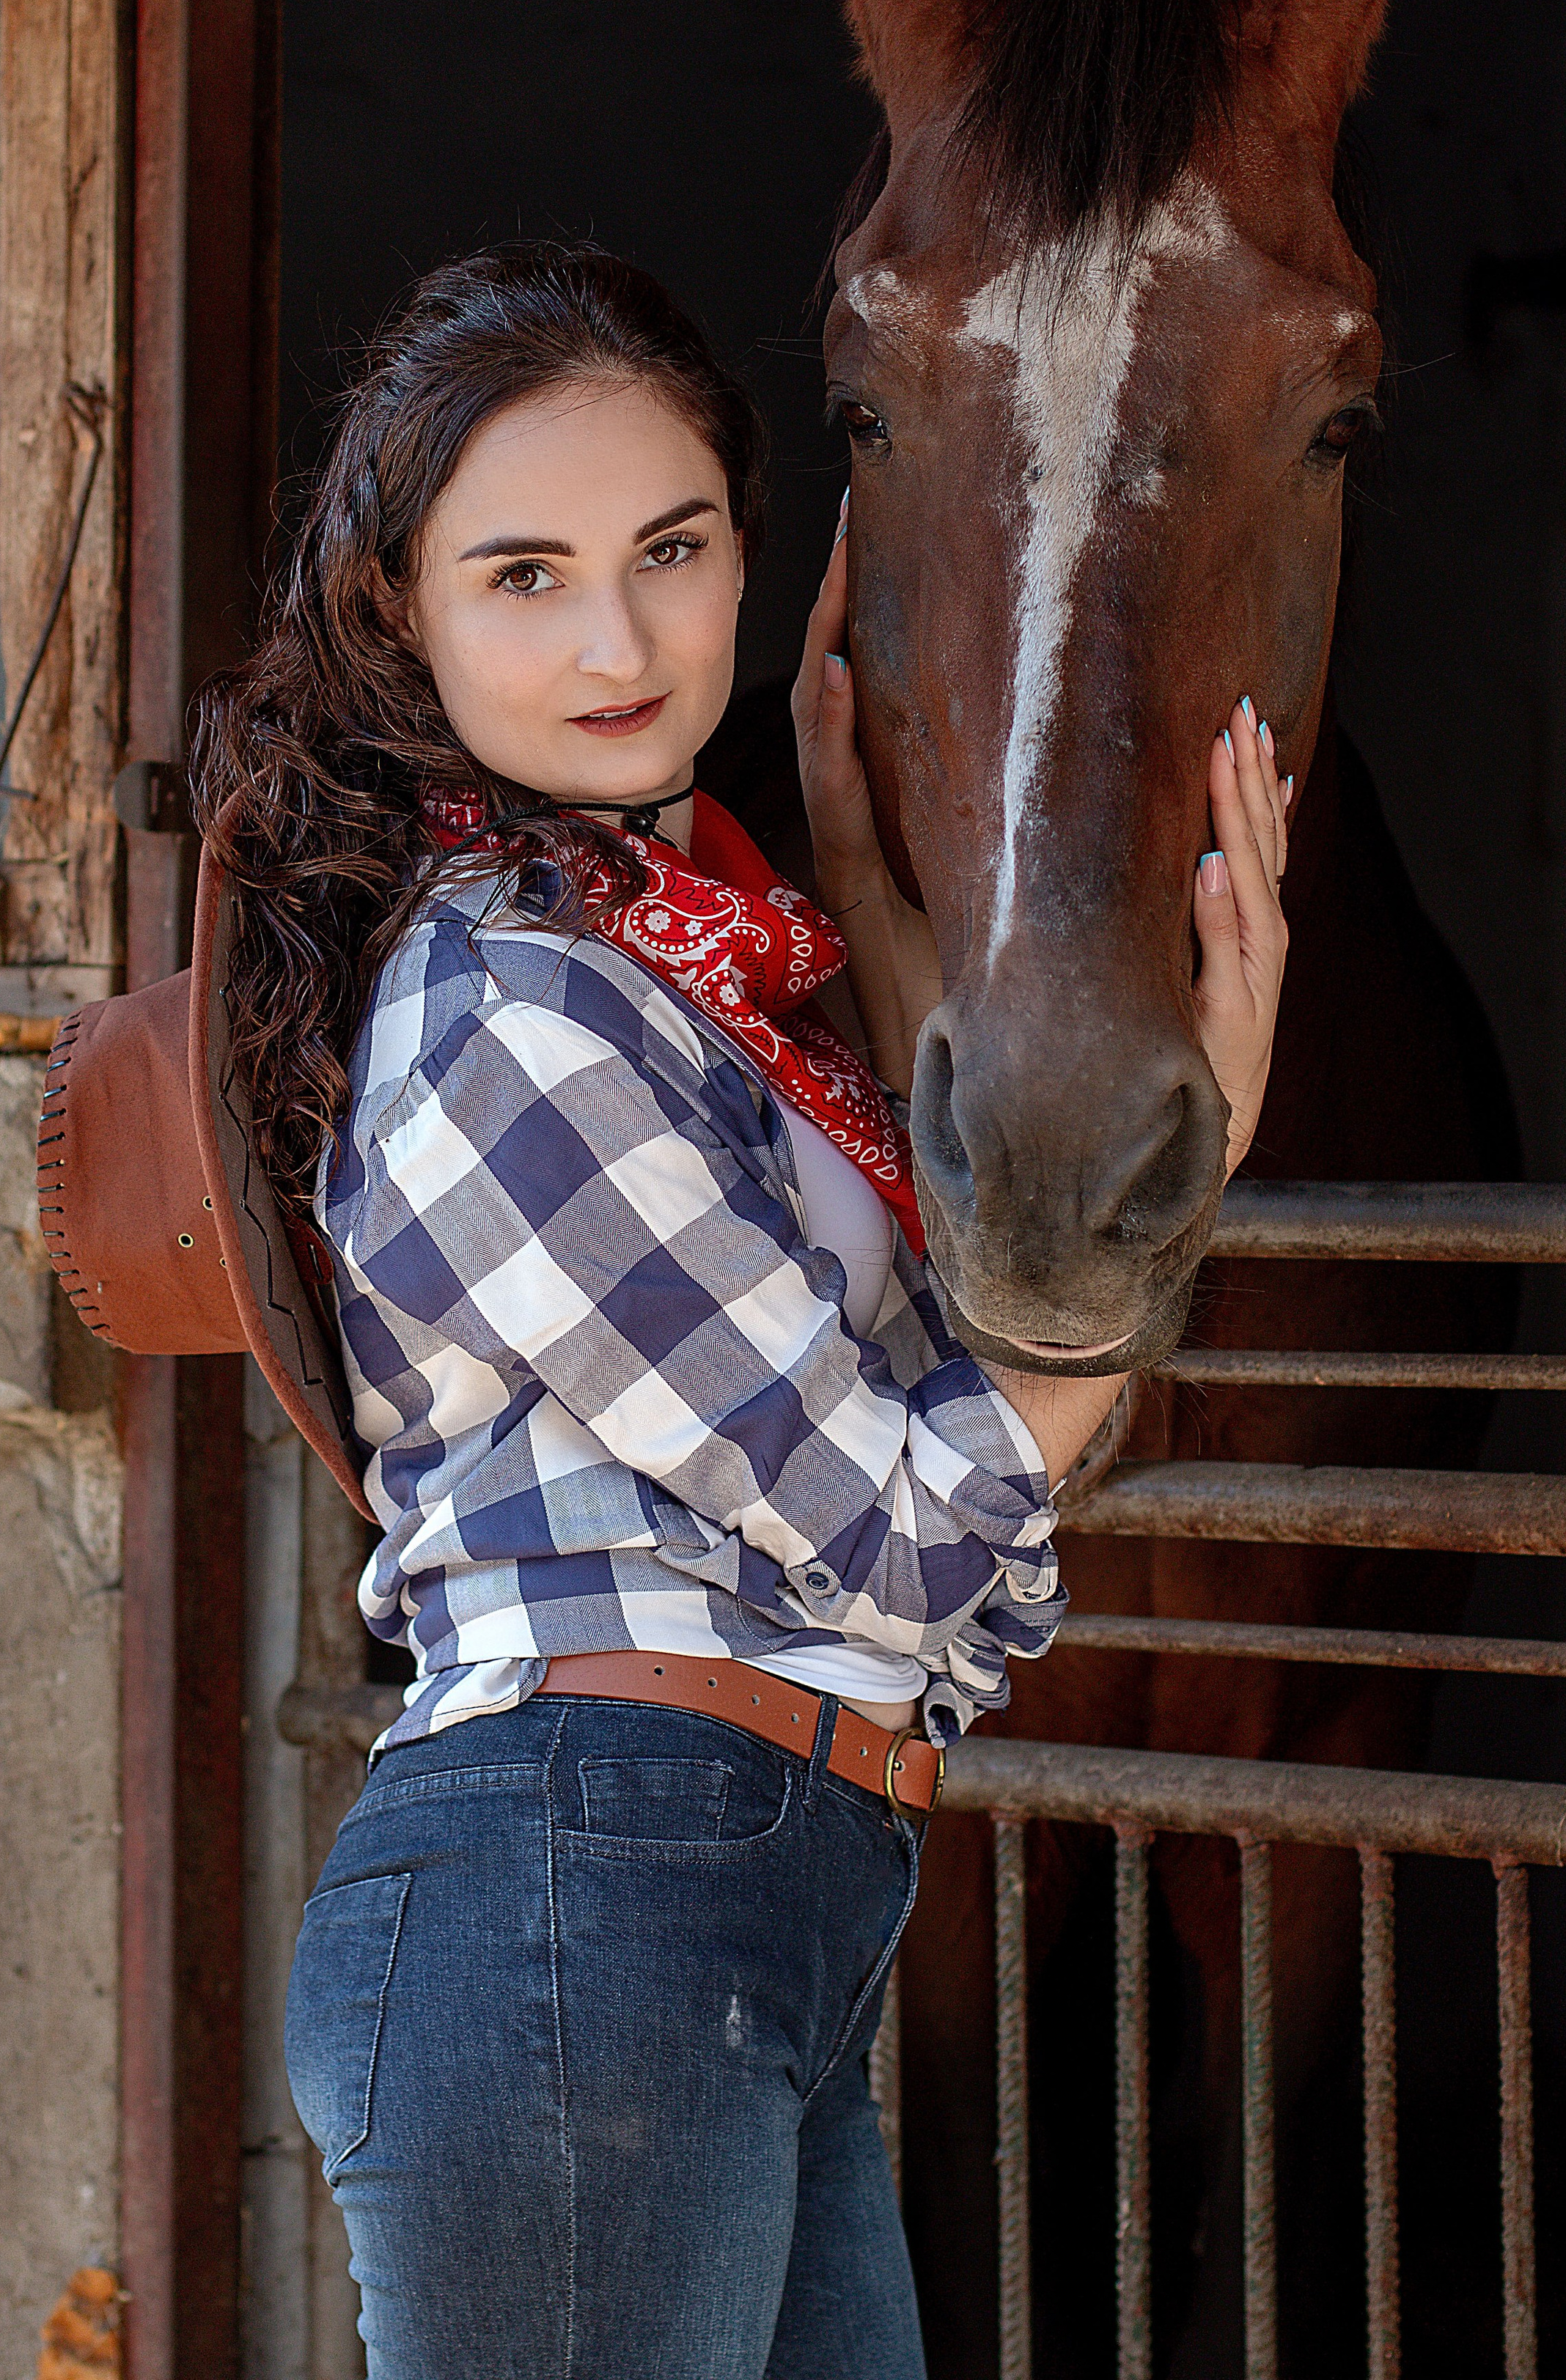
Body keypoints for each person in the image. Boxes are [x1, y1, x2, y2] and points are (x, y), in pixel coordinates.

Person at [193, 240, 1290, 2380]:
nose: (619, 640)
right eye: (524, 575)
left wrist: (880, 913)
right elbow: (909, 1529)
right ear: (397, 614)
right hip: (579, 1905)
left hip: (745, 1901)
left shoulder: (703, 980)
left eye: (671, 550)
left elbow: (933, 1512)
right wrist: (1186, 1178)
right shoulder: (508, 1008)